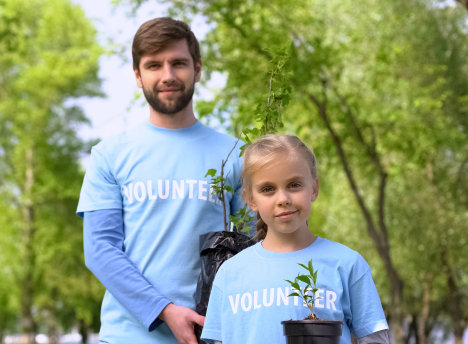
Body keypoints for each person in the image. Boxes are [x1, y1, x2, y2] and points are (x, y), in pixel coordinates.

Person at [76, 17, 246, 344]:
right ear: (138, 76)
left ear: (197, 69)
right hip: (128, 337)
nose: (167, 75)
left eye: (178, 63)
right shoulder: (108, 155)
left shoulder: (235, 155)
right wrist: (164, 310)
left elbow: (255, 245)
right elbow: (100, 250)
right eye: (154, 65)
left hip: (212, 335)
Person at [201, 135, 391, 344]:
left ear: (314, 189)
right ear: (250, 199)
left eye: (294, 185)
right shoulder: (229, 273)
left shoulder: (347, 264)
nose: (283, 199)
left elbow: (376, 339)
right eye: (268, 189)